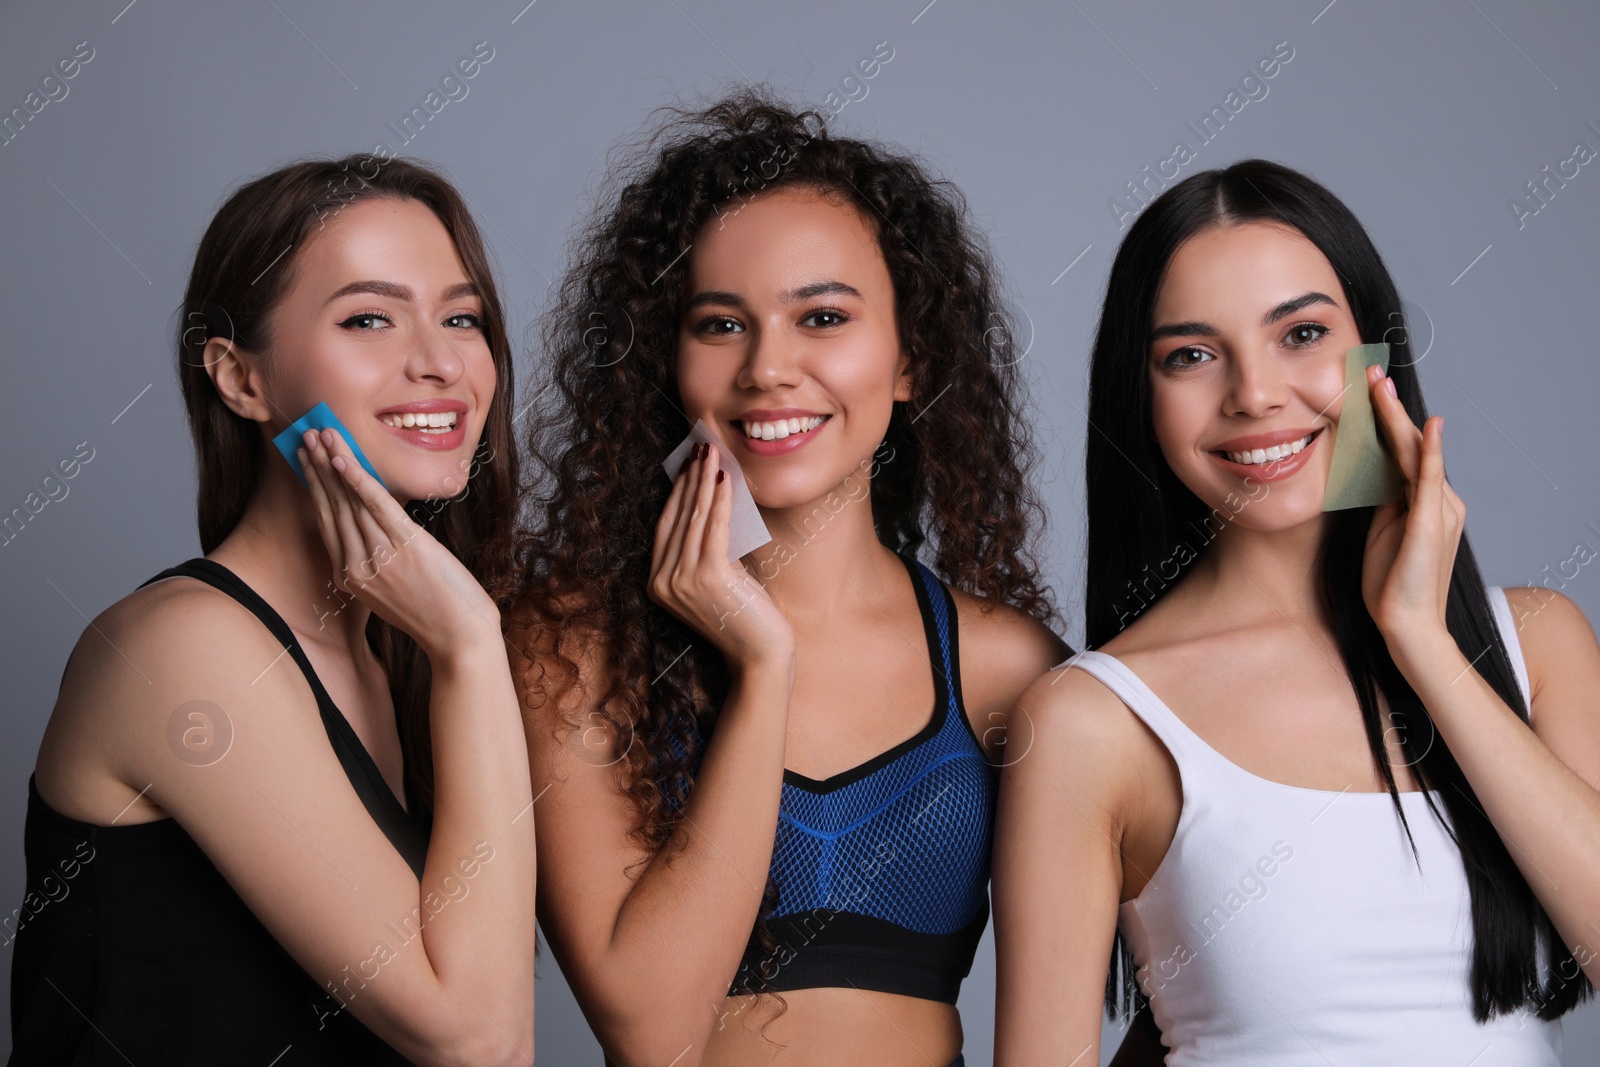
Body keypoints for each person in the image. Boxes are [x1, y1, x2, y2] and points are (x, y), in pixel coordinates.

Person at [994, 158, 1599, 1065]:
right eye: (1190, 355)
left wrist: (1423, 642)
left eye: (1302, 333)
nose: (1255, 394)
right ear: (1142, 396)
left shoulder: (1536, 643)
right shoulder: (1091, 721)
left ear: (1375, 357)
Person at [508, 91, 1070, 1067]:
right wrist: (762, 665)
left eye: (822, 316)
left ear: (909, 360)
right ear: (665, 362)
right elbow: (649, 1024)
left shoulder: (1002, 665)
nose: (770, 367)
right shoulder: (568, 645)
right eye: (720, 324)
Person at [10, 155, 536, 1066]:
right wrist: (472, 646)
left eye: (463, 317)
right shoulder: (184, 646)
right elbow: (480, 1042)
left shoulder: (393, 655)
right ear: (240, 379)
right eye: (369, 318)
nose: (440, 360)